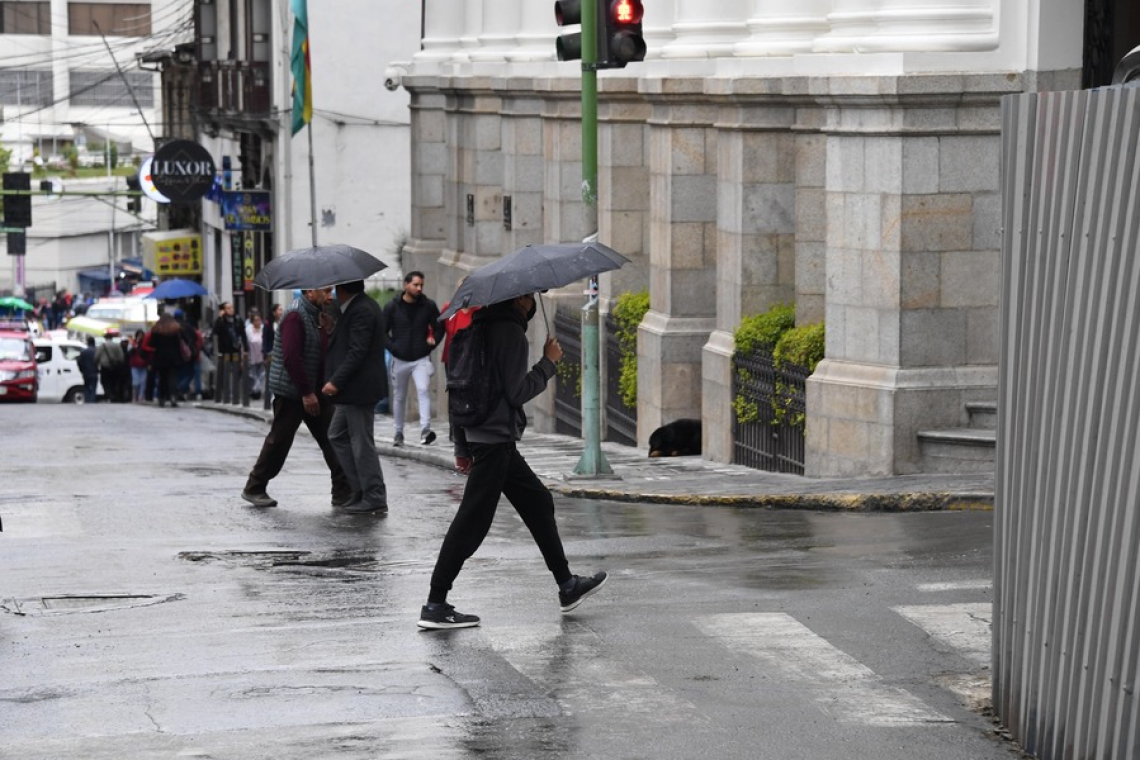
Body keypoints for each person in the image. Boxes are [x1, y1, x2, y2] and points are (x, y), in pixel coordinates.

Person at [418, 293, 607, 630]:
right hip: (494, 440)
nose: (533, 301)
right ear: (520, 299)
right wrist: (548, 363)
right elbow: (517, 392)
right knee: (471, 523)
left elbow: (459, 388)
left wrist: (461, 444)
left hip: (485, 436)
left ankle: (567, 585)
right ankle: (435, 603)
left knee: (538, 501)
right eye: (531, 296)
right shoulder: (509, 333)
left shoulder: (476, 327)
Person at [241, 288, 354, 509]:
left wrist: (328, 328)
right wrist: (306, 393)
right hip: (293, 392)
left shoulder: (316, 315)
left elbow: (320, 350)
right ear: (310, 292)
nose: (330, 295)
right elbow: (292, 358)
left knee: (333, 437)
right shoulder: (295, 316)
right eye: (325, 291)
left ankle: (343, 491)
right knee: (279, 441)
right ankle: (254, 486)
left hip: (316, 390)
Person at [321, 279, 389, 514]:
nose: (331, 293)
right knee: (337, 434)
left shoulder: (362, 310)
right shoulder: (355, 308)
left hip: (359, 389)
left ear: (341, 288)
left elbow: (357, 351)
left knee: (361, 443)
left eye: (334, 288)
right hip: (352, 390)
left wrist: (335, 381)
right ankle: (360, 489)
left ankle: (374, 495)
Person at [382, 271, 440, 447]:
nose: (419, 288)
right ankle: (398, 432)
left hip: (420, 357)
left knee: (423, 389)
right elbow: (382, 331)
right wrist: (393, 348)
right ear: (405, 285)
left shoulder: (428, 305)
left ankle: (425, 429)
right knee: (399, 396)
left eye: (421, 285)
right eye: (415, 285)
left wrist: (431, 344)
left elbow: (439, 327)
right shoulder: (392, 306)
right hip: (399, 359)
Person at [439, 293, 479, 474]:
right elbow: (440, 328)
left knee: (469, 398)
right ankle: (455, 432)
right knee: (454, 397)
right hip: (453, 359)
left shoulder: (478, 311)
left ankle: (466, 435)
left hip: (470, 361)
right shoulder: (450, 309)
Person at [148, 313, 184, 408]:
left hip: (160, 357)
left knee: (162, 378)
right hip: (173, 357)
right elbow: (179, 342)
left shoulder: (156, 329)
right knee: (173, 378)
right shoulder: (175, 329)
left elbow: (151, 343)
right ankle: (173, 397)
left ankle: (162, 398)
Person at [94, 329, 125, 403]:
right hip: (115, 367)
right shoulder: (117, 346)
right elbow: (121, 357)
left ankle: (108, 395)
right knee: (114, 382)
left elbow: (96, 357)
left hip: (105, 367)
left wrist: (96, 364)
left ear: (105, 338)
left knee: (105, 382)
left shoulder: (101, 346)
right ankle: (114, 395)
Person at [246, 313, 265, 399]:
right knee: (252, 374)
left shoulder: (263, 328)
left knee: (262, 374)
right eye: (256, 320)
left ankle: (260, 391)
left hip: (262, 356)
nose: (258, 322)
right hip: (252, 355)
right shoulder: (248, 330)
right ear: (252, 322)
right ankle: (254, 391)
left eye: (259, 320)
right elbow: (246, 342)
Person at [127, 329, 149, 402]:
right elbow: (129, 353)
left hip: (143, 365)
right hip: (134, 365)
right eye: (139, 335)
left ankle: (141, 396)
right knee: (136, 382)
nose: (140, 337)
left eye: (141, 335)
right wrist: (135, 346)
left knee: (143, 382)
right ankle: (134, 396)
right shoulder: (132, 343)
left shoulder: (145, 344)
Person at [76, 336, 99, 403]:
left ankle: (87, 400)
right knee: (93, 388)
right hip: (94, 372)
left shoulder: (84, 351)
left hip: (86, 372)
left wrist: (81, 370)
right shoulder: (96, 351)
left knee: (86, 387)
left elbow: (79, 362)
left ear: (88, 342)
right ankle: (92, 400)